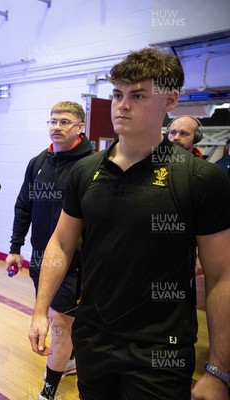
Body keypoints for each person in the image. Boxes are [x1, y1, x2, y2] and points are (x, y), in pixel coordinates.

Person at [29, 47, 230, 399]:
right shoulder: (85, 171)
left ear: (170, 100)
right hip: (93, 337)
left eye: (137, 96)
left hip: (161, 348)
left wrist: (217, 369)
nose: (122, 105)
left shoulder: (200, 179)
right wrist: (40, 310)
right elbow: (60, 243)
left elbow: (221, 276)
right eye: (118, 94)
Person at [6, 101, 93, 400]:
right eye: (53, 121)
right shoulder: (38, 162)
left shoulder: (93, 165)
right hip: (40, 261)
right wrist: (15, 247)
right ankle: (69, 360)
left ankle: (47, 391)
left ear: (80, 126)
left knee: (57, 322)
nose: (57, 126)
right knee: (62, 323)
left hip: (76, 263)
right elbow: (23, 206)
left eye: (65, 122)